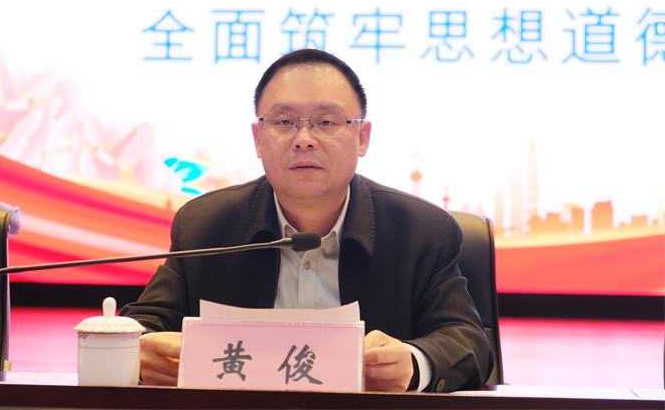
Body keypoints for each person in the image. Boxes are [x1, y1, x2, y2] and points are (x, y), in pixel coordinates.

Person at [121, 49, 493, 392]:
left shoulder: (422, 231)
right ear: (258, 138)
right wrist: (140, 350)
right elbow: (143, 323)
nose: (303, 139)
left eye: (326, 122)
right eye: (284, 121)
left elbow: (467, 340)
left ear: (362, 137)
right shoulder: (206, 226)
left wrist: (414, 362)